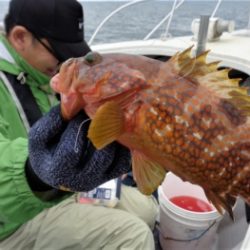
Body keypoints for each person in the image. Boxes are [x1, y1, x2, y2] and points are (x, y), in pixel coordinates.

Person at [0, 0, 158, 249]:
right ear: (20, 37)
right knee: (134, 236)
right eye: (60, 52)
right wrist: (35, 173)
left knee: (148, 209)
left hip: (61, 189)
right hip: (11, 223)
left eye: (73, 53)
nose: (66, 62)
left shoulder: (44, 73)